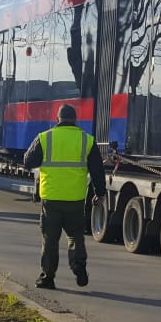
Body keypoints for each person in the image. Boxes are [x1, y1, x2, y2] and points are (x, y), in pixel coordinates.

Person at [23, 104, 107, 290]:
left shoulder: (45, 137)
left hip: (51, 198)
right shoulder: (86, 140)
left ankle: (47, 278)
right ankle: (78, 265)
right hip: (75, 199)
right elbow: (97, 170)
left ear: (57, 119)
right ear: (75, 120)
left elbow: (28, 161)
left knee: (50, 239)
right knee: (75, 235)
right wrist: (100, 193)